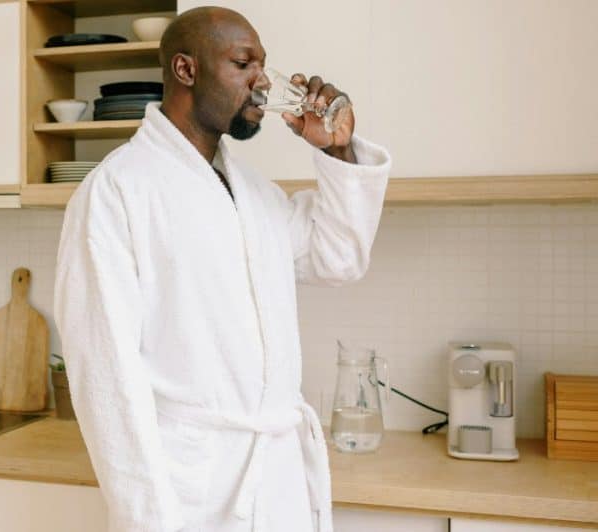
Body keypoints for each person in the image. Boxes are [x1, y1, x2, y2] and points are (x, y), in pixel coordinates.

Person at [53, 5, 391, 532]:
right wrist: (149, 520)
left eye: (263, 65)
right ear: (186, 69)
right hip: (191, 496)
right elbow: (106, 379)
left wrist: (340, 150)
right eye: (243, 63)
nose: (263, 81)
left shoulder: (256, 193)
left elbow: (338, 258)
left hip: (277, 485)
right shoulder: (117, 192)